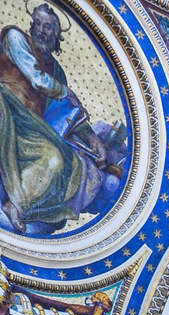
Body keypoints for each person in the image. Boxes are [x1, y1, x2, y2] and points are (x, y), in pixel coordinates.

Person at [0, 4, 119, 234]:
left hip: (32, 126)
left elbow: (65, 112)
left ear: (57, 37)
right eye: (40, 25)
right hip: (7, 107)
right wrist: (65, 92)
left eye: (50, 28)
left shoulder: (57, 70)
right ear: (32, 25)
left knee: (57, 159)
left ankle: (17, 206)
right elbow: (36, 78)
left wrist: (93, 140)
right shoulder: (16, 38)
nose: (43, 31)